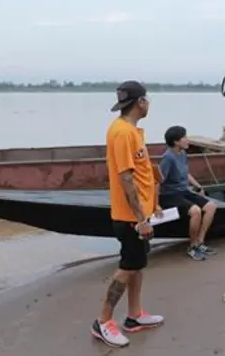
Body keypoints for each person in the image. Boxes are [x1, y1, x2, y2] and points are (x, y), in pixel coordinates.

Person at [91, 80, 164, 348]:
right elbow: (126, 178)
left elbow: (142, 175)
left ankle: (134, 315)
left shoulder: (132, 131)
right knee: (127, 267)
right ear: (141, 102)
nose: (149, 104)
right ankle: (103, 321)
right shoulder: (122, 132)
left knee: (138, 265)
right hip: (130, 218)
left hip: (140, 214)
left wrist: (152, 206)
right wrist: (140, 219)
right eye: (147, 99)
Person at [158, 125, 218, 260]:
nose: (187, 140)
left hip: (183, 191)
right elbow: (158, 180)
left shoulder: (183, 154)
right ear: (176, 142)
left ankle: (200, 242)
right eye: (184, 137)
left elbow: (186, 173)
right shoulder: (168, 158)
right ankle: (192, 247)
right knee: (195, 211)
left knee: (211, 206)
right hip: (169, 195)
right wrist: (154, 204)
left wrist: (198, 186)